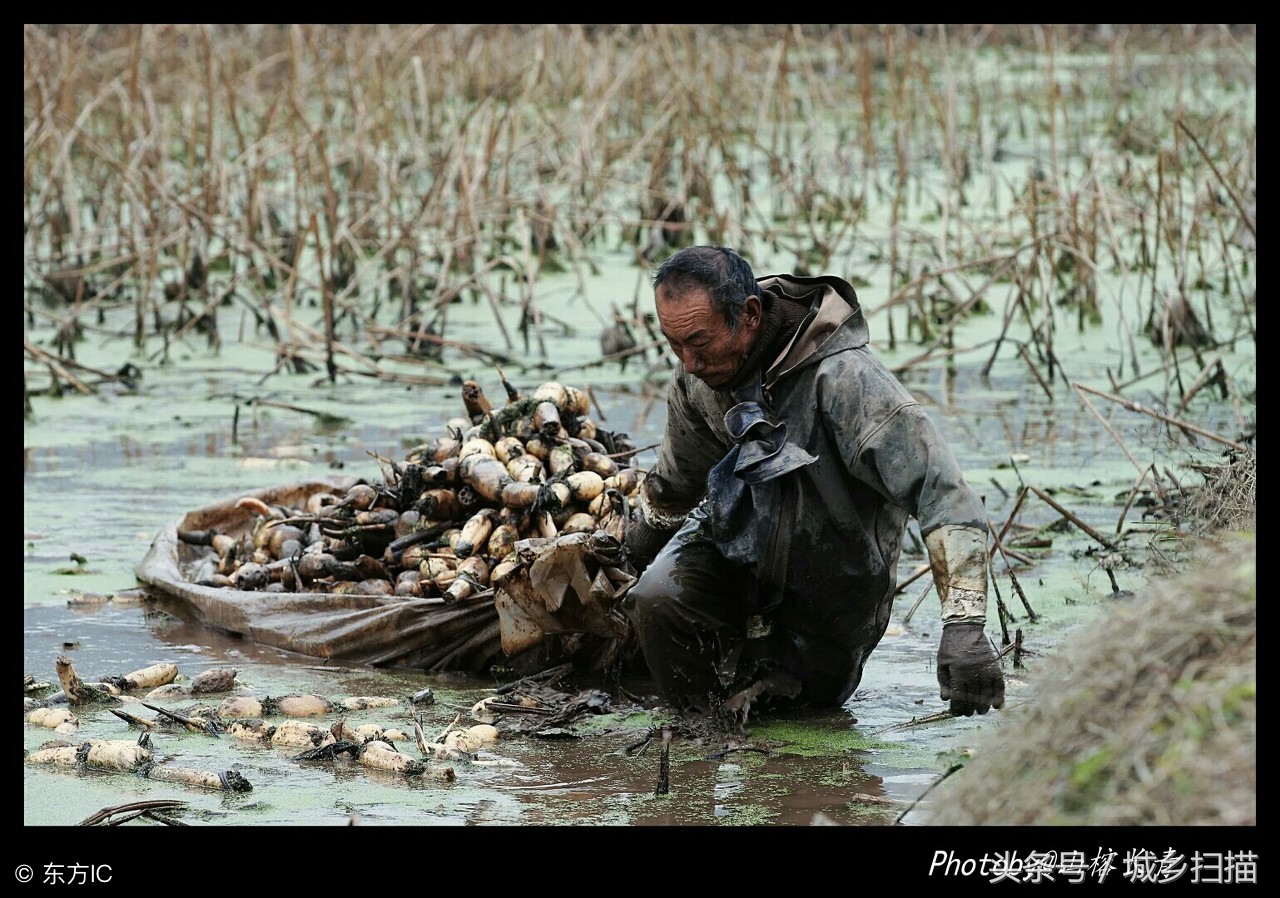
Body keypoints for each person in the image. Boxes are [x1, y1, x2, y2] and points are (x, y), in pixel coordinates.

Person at [619, 245, 1005, 723]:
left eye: (699, 342)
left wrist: (964, 626)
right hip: (734, 553)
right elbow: (678, 485)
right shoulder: (698, 381)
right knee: (657, 599)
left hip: (832, 586)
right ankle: (702, 739)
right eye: (674, 345)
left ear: (750, 314)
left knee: (800, 714)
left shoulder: (847, 381)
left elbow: (944, 495)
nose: (689, 363)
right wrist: (630, 555)